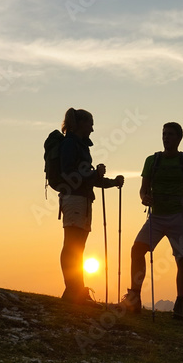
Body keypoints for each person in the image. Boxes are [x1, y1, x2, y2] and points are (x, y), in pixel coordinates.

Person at [120, 122, 183, 319]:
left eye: (170, 134)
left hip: (178, 217)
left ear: (178, 138)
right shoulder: (152, 161)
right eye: (164, 134)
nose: (166, 137)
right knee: (137, 250)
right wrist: (144, 197)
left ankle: (178, 303)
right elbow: (143, 188)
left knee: (182, 261)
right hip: (157, 217)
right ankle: (134, 297)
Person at [58, 108, 124, 306]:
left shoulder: (78, 145)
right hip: (75, 199)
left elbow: (85, 177)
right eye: (90, 124)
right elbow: (69, 173)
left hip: (82, 200)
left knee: (77, 246)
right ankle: (73, 290)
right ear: (80, 125)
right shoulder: (71, 143)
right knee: (72, 245)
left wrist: (109, 181)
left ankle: (75, 290)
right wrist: (95, 174)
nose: (93, 129)